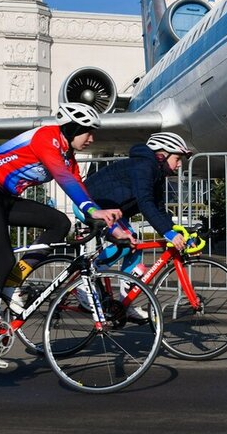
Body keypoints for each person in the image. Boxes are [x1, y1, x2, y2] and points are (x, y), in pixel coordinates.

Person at [0, 102, 121, 369]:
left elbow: (80, 188)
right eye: (87, 132)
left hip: (5, 198)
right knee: (2, 260)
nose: (92, 138)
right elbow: (65, 181)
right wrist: (93, 209)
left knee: (59, 222)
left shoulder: (68, 156)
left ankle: (12, 282)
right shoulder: (46, 138)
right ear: (71, 129)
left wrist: (114, 227)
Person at [80, 131, 193, 319]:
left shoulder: (155, 172)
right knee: (128, 241)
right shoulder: (143, 167)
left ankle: (125, 304)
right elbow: (145, 203)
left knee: (134, 246)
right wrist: (167, 233)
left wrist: (175, 231)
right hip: (90, 204)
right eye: (177, 158)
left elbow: (158, 208)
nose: (180, 164)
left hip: (110, 209)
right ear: (161, 156)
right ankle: (86, 279)